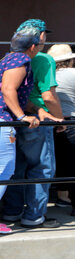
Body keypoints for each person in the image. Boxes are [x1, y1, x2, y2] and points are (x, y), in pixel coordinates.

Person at [0, 28, 59, 233]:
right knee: (3, 170)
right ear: (33, 46)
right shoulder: (21, 61)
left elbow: (13, 94)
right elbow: (9, 89)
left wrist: (37, 111)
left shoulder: (7, 59)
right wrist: (21, 117)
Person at [1, 19, 65, 228]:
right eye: (43, 34)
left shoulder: (11, 57)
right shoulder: (44, 59)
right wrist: (59, 118)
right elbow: (48, 95)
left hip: (13, 117)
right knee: (41, 167)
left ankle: (11, 212)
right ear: (38, 37)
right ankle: (34, 215)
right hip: (38, 119)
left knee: (16, 167)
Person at [47, 44, 75, 211]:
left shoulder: (50, 76)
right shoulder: (73, 73)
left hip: (54, 123)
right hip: (72, 122)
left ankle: (63, 198)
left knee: (63, 162)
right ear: (70, 59)